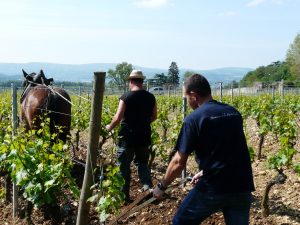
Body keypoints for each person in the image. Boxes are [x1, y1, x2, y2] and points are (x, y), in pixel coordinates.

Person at [153, 74, 255, 225]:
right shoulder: (233, 113)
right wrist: (204, 171)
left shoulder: (194, 119)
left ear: (193, 96)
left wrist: (162, 186)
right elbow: (230, 150)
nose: (186, 101)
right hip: (243, 185)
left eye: (185, 97)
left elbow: (178, 162)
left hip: (214, 187)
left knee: (181, 221)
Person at [106, 69, 157, 202]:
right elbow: (154, 116)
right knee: (142, 163)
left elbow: (117, 118)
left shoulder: (126, 97)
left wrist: (109, 127)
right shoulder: (151, 97)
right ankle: (147, 187)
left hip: (127, 138)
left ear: (131, 81)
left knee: (124, 166)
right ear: (142, 81)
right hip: (144, 136)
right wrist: (143, 123)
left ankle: (124, 196)